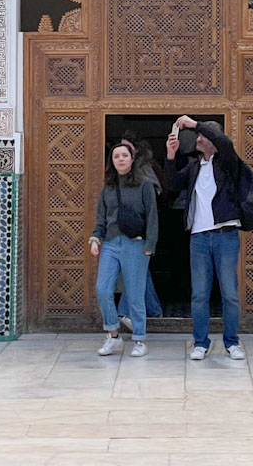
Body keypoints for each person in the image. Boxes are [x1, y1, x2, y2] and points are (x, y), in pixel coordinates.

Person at [165, 115, 253, 361]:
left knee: (229, 292)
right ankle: (200, 342)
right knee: (199, 294)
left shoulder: (227, 163)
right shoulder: (195, 166)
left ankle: (232, 342)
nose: (198, 138)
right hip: (199, 238)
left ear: (213, 139)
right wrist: (171, 155)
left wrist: (195, 123)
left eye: (202, 136)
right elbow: (172, 184)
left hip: (226, 235)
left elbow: (224, 143)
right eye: (198, 135)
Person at [89, 141, 158, 357]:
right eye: (116, 156)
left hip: (136, 244)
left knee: (135, 294)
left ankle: (139, 339)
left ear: (132, 158)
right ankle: (113, 335)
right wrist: (95, 238)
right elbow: (101, 217)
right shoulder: (108, 187)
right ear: (112, 161)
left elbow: (152, 217)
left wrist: (150, 245)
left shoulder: (144, 185)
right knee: (103, 288)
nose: (120, 159)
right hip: (110, 243)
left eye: (124, 155)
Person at [116, 132, 163, 329]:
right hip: (123, 227)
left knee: (133, 269)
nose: (121, 154)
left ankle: (124, 312)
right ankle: (154, 309)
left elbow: (155, 191)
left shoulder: (143, 170)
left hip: (140, 226)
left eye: (126, 149)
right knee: (139, 269)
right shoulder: (119, 171)